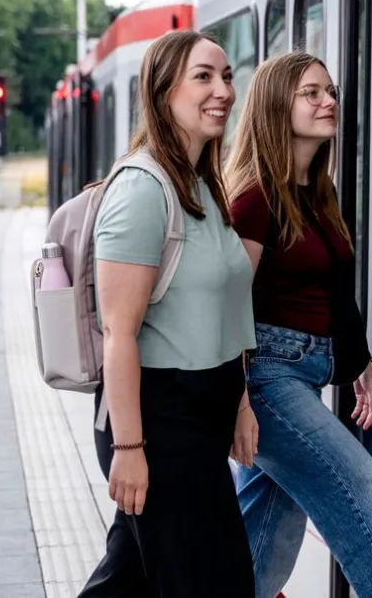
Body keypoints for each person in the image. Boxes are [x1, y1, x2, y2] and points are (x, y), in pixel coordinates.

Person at [223, 50, 372, 598]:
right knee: (369, 501)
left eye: (330, 92)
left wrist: (360, 363)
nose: (329, 101)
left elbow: (333, 289)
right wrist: (236, 399)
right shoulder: (254, 199)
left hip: (301, 372)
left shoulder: (314, 193)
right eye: (311, 93)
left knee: (263, 530)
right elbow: (227, 305)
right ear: (278, 104)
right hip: (267, 380)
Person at [78, 30, 256, 597]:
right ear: (162, 93)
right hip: (159, 425)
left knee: (127, 580)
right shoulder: (141, 188)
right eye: (203, 76)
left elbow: (225, 308)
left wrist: (240, 401)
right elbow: (119, 333)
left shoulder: (204, 186)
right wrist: (130, 451)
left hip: (201, 420)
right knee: (217, 581)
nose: (222, 90)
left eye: (226, 76)